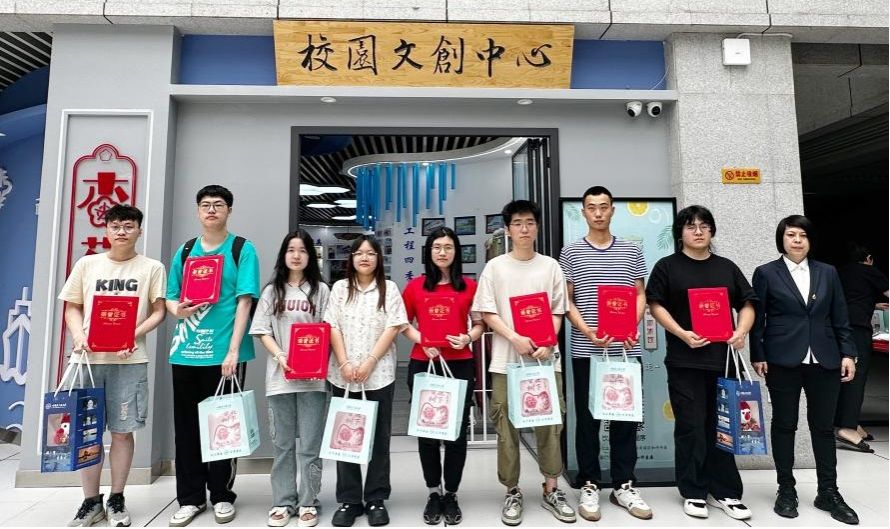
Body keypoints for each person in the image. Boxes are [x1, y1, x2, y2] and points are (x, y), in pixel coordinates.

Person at [58, 204, 166, 528]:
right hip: (88, 361)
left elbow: (159, 311)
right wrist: (79, 336)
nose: (122, 231)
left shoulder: (152, 268)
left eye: (129, 226)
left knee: (122, 432)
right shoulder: (87, 264)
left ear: (139, 230)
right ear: (106, 230)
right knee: (87, 433)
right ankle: (91, 501)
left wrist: (133, 334)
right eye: (116, 226)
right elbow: (72, 308)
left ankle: (117, 498)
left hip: (128, 361)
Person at [645, 205, 755, 521]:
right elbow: (655, 305)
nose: (698, 231)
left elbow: (748, 303)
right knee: (691, 426)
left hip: (724, 361)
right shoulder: (667, 267)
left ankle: (726, 491)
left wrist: (741, 331)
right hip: (685, 361)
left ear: (712, 231)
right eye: (691, 226)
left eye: (704, 226)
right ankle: (693, 490)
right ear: (680, 233)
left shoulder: (726, 267)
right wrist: (682, 333)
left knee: (724, 427)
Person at [471, 199, 575, 526]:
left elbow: (558, 310)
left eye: (529, 222)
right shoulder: (495, 267)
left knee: (550, 425)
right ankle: (512, 490)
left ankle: (551, 488)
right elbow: (487, 312)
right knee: (507, 428)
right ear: (507, 230)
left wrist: (548, 341)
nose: (524, 228)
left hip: (545, 362)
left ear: (537, 227)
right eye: (517, 223)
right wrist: (514, 337)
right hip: (506, 362)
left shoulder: (550, 267)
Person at [750, 215, 859, 525]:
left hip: (826, 358)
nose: (797, 240)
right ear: (782, 240)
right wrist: (758, 354)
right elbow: (758, 318)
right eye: (791, 235)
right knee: (785, 424)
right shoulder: (766, 273)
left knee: (823, 427)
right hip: (781, 358)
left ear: (810, 240)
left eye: (802, 235)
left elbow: (840, 315)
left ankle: (828, 492)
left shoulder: (828, 272)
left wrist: (848, 353)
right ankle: (786, 490)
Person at [165, 185, 261, 527]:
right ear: (197, 211)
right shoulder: (185, 250)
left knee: (224, 427)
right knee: (187, 429)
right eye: (205, 205)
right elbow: (170, 297)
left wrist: (234, 350)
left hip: (224, 355)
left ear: (229, 211)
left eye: (218, 205)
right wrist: (177, 310)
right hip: (186, 352)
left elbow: (245, 301)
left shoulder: (241, 249)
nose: (211, 210)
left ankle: (221, 494)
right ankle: (190, 498)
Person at [558, 186, 651, 521]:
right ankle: (589, 483)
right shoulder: (570, 253)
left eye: (603, 206)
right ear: (583, 212)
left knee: (626, 419)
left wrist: (630, 325)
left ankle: (624, 485)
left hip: (625, 349)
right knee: (588, 420)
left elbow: (640, 294)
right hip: (588, 351)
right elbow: (567, 300)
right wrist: (587, 331)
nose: (598, 213)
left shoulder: (631, 251)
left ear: (613, 210)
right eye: (591, 207)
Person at [401, 227, 484, 526]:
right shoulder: (415, 287)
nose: (442, 252)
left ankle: (451, 493)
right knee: (427, 431)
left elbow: (479, 324)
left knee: (456, 433)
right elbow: (402, 323)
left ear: (456, 252)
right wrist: (422, 340)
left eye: (448, 247)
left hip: (459, 364)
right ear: (429, 251)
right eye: (437, 247)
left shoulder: (470, 287)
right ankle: (433, 492)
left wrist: (468, 338)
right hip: (424, 363)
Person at [324, 235, 408, 528]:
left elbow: (393, 327)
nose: (364, 258)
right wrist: (344, 362)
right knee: (345, 438)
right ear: (351, 258)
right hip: (343, 374)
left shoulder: (389, 289)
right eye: (359, 253)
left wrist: (370, 361)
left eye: (371, 253)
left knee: (379, 438)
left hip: (379, 375)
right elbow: (332, 326)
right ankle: (349, 500)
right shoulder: (339, 288)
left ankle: (376, 498)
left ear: (378, 259)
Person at [249, 230, 331, 527]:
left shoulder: (321, 291)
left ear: (310, 256)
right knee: (282, 445)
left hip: (314, 381)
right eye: (291, 250)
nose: (296, 255)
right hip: (280, 378)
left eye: (303, 250)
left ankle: (309, 501)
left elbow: (328, 330)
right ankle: (283, 501)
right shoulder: (272, 291)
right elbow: (262, 331)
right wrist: (280, 355)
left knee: (310, 445)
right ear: (283, 255)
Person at [834, 242, 889, 451]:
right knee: (857, 376)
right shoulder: (868, 270)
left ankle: (850, 422)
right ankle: (847, 427)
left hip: (836, 329)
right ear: (868, 258)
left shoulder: (839, 272)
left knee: (842, 376)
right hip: (857, 330)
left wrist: (872, 304)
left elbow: (850, 298)